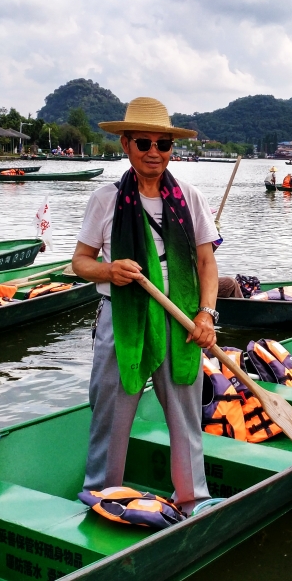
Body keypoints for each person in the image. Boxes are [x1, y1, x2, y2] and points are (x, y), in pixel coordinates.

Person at [72, 96, 219, 515]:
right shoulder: (105, 200)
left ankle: (193, 503)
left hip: (180, 321)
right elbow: (79, 262)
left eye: (163, 144)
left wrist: (206, 314)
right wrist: (109, 271)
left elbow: (207, 262)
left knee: (187, 422)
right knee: (111, 423)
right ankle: (101, 501)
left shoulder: (189, 198)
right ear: (125, 145)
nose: (154, 151)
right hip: (123, 320)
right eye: (143, 143)